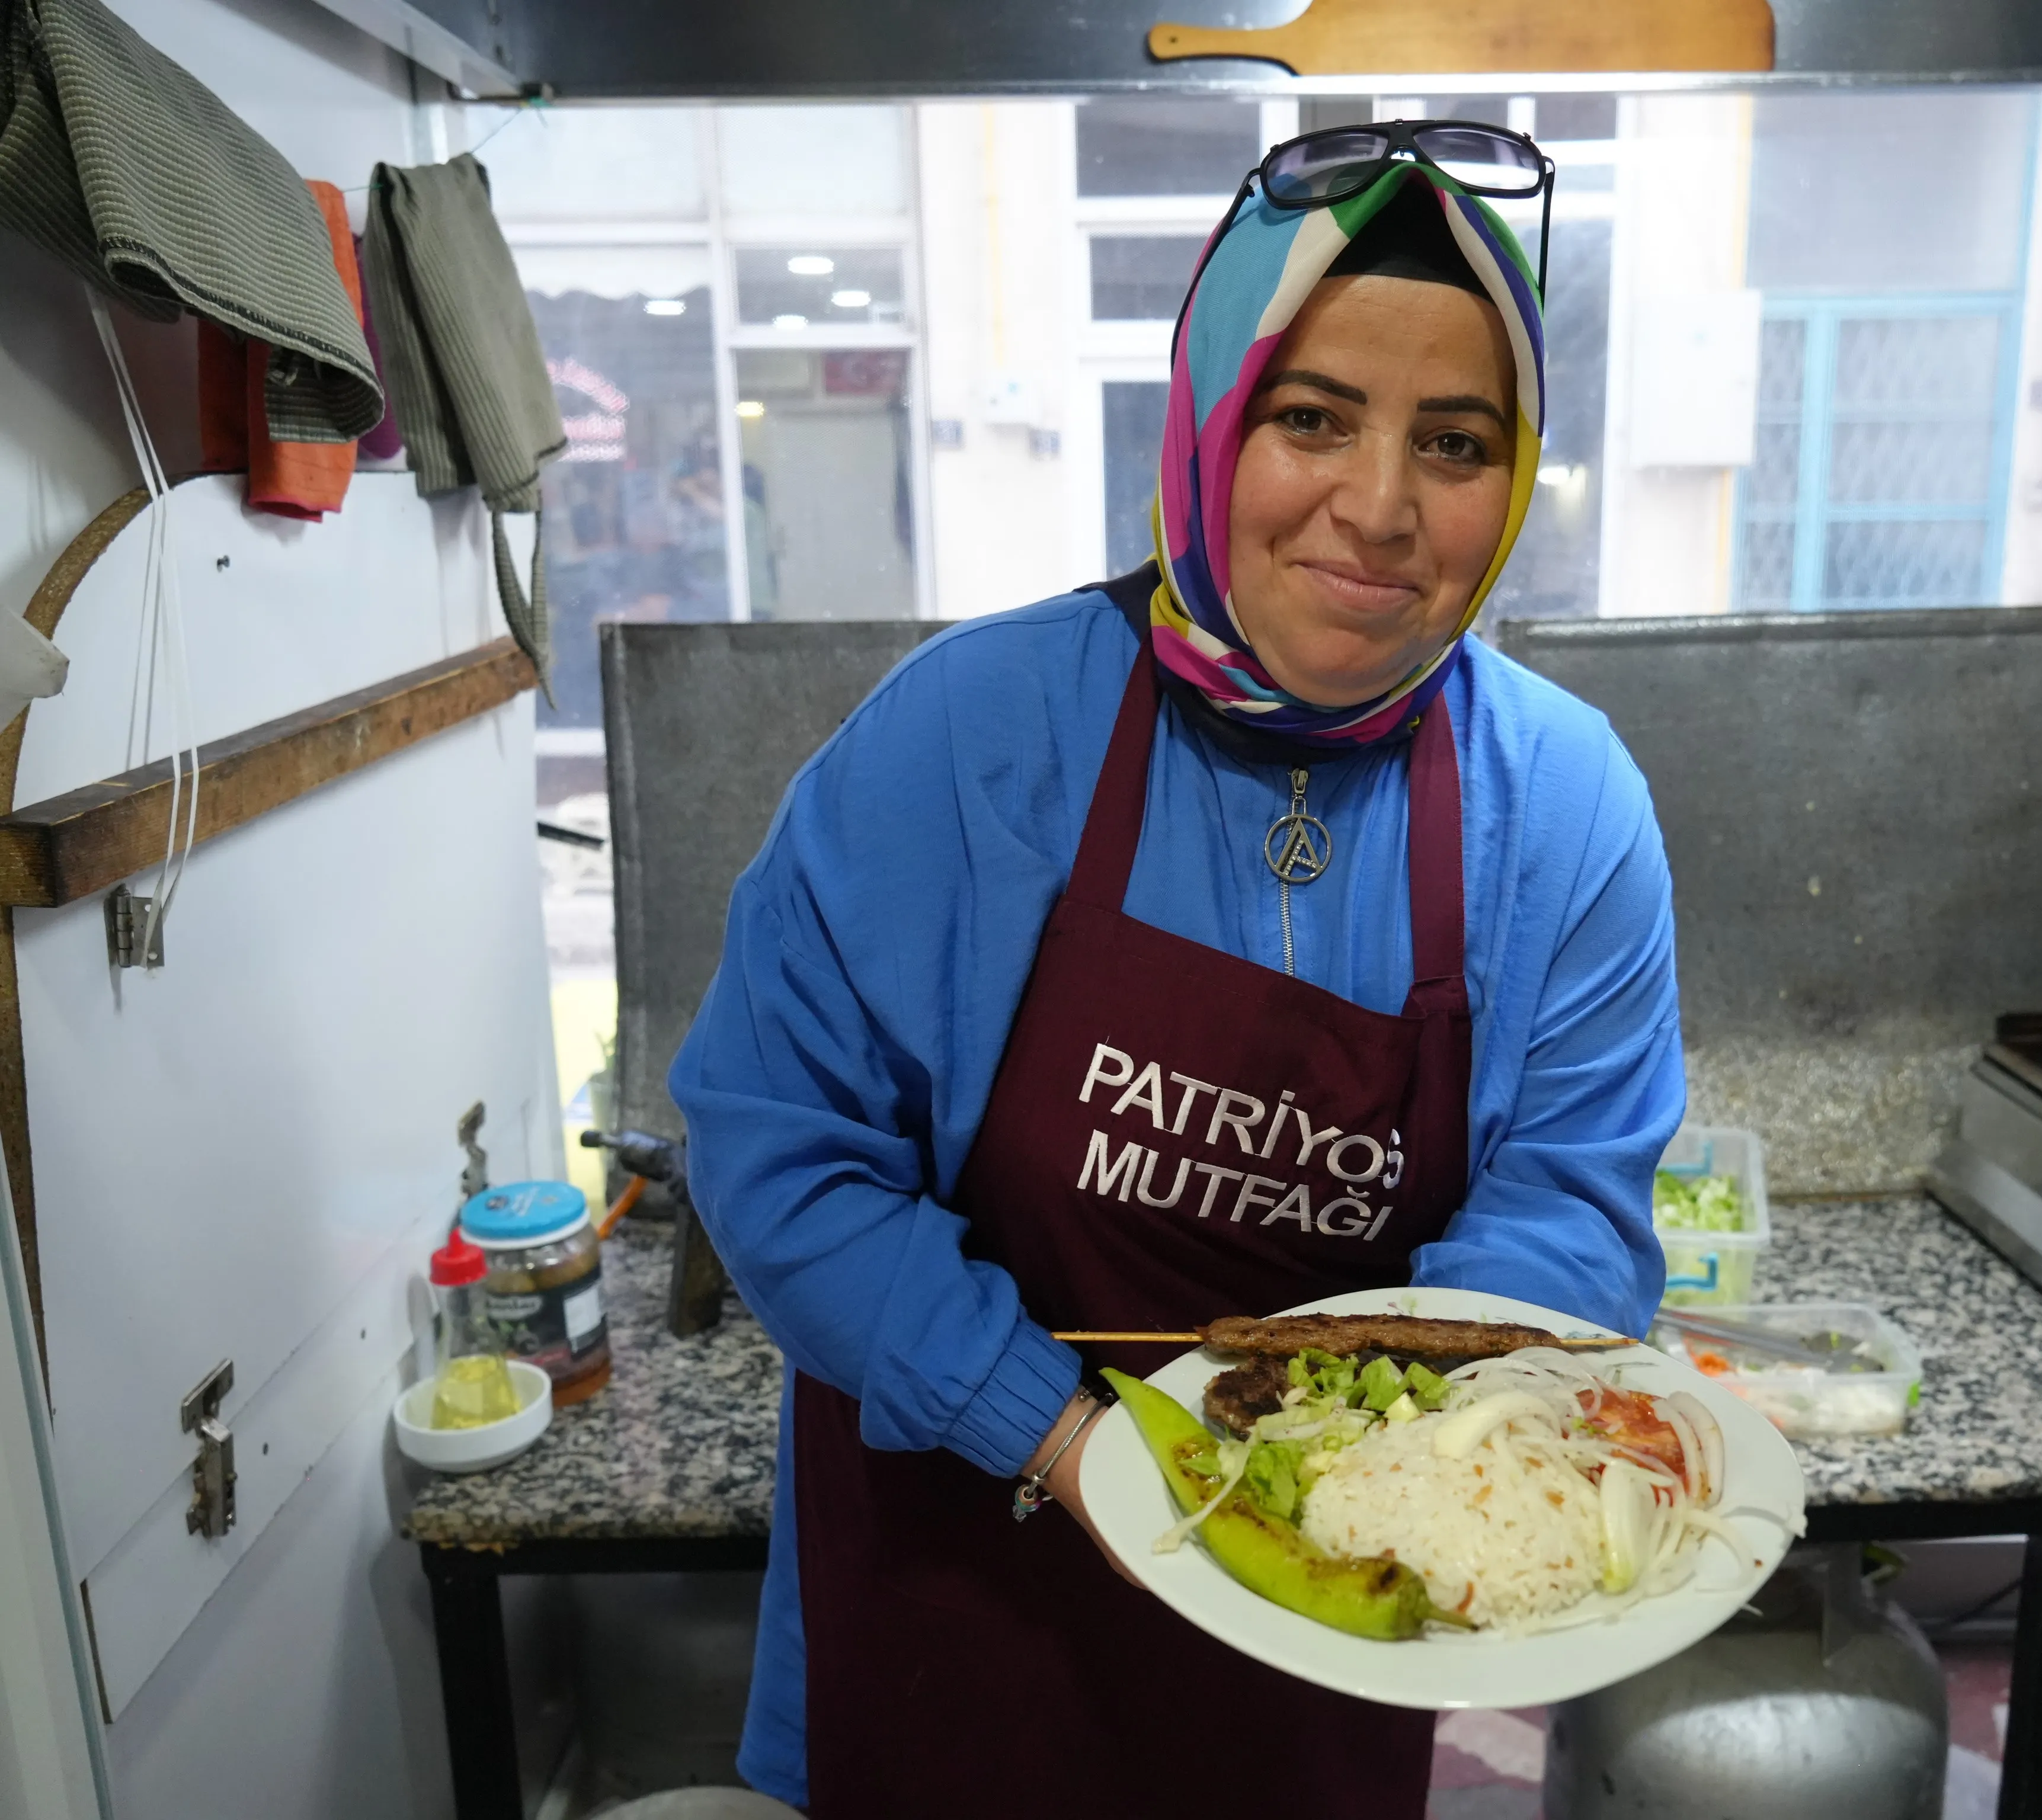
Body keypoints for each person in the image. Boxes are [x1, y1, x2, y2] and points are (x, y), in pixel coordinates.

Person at [670, 123, 1685, 1819]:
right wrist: (1070, 1446)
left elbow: (1575, 1213)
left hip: (1333, 1619)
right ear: (1210, 423)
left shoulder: (1564, 809)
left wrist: (1368, 1475)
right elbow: (780, 1159)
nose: (1378, 506)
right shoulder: (967, 740)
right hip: (961, 1603)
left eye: (1455, 442)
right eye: (1312, 418)